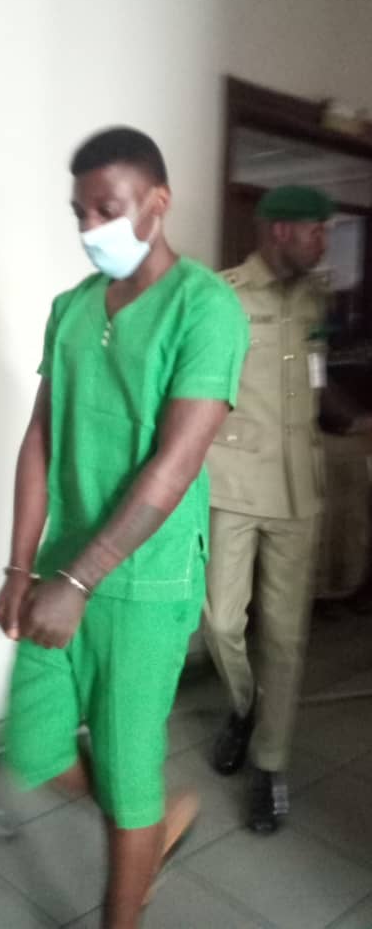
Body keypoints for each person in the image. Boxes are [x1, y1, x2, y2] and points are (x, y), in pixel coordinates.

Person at [0, 127, 249, 929]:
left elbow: (175, 463)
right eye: (79, 212)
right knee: (34, 745)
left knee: (126, 772)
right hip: (60, 566)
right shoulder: (70, 308)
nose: (88, 227)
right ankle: (151, 825)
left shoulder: (205, 308)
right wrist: (21, 567)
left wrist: (77, 580)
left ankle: (125, 892)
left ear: (157, 202)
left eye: (106, 209)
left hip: (142, 582)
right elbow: (40, 438)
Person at [203, 184, 332, 835]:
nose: (323, 242)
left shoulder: (316, 298)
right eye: (315, 230)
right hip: (233, 481)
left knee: (285, 635)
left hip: (298, 490)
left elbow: (315, 381)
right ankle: (244, 704)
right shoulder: (221, 295)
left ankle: (270, 762)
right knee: (221, 620)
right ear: (280, 230)